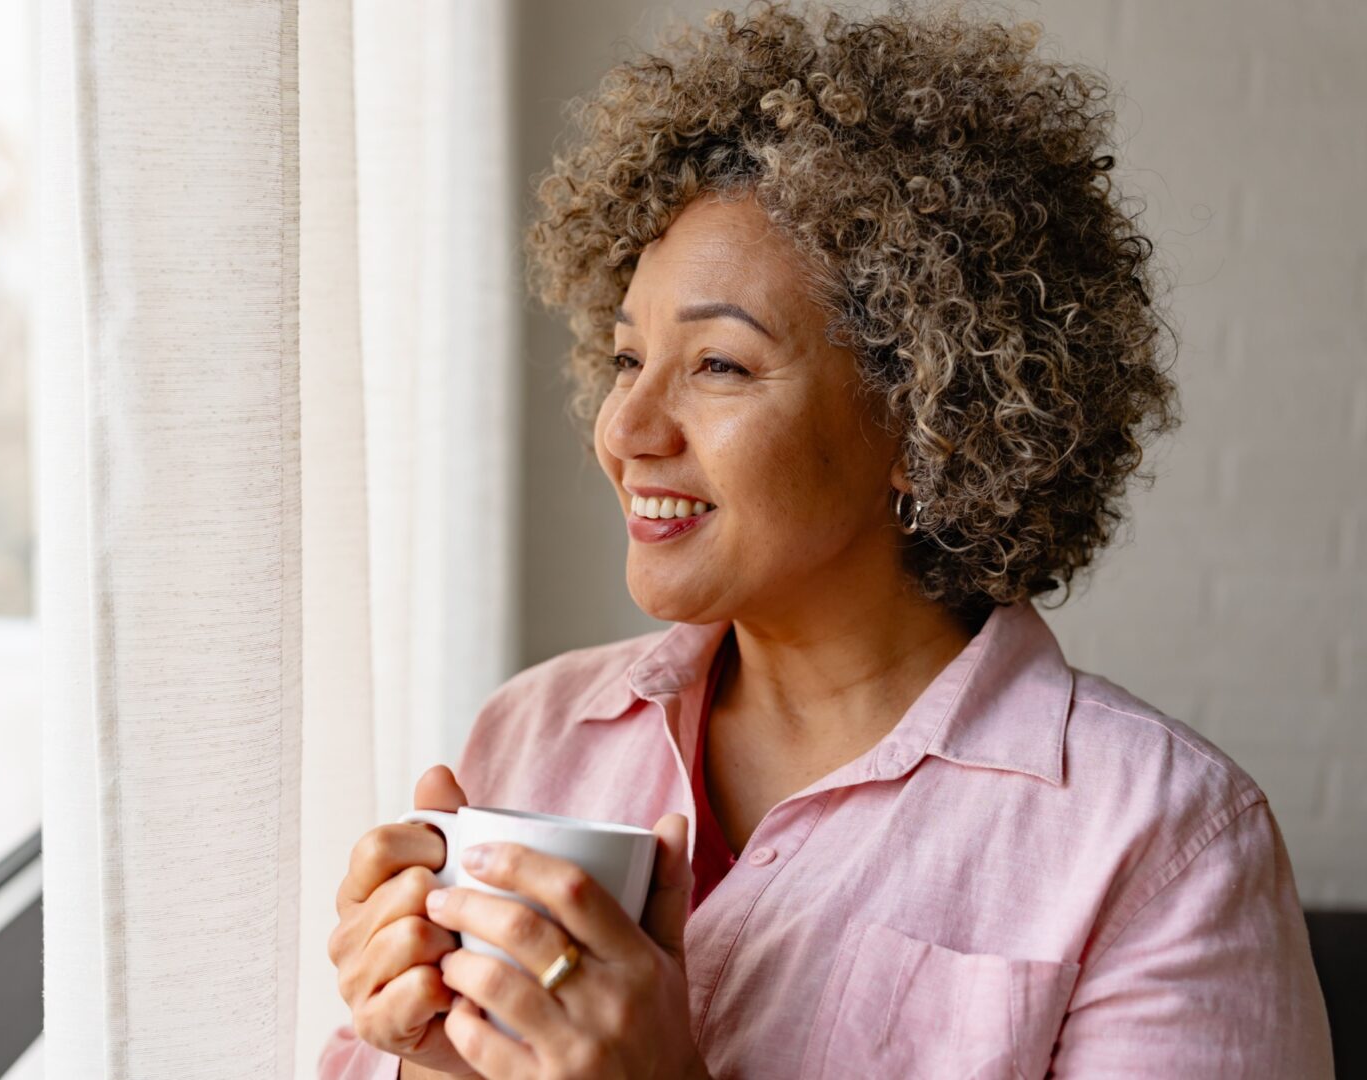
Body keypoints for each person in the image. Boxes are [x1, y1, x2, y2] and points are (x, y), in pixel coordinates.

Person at [321, 3, 1334, 1077]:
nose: (625, 431)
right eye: (627, 361)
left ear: (929, 415)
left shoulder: (1159, 841)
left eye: (718, 365)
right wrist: (425, 1052)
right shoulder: (532, 737)